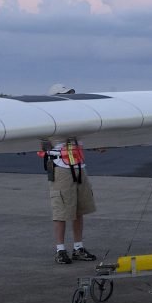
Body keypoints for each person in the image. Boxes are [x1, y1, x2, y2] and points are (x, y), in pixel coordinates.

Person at [43, 84, 98, 264]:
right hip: (61, 168)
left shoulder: (75, 117)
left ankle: (78, 247)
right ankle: (60, 250)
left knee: (78, 210)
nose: (69, 99)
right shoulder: (47, 119)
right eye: (65, 96)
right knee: (61, 211)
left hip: (78, 166)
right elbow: (44, 143)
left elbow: (83, 138)